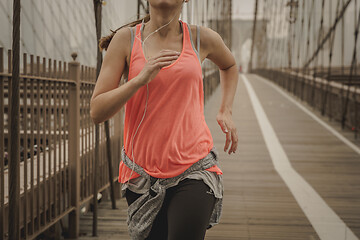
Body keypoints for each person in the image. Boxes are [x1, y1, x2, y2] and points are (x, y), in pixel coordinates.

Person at [90, 0, 238, 239]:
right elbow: (97, 111)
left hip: (195, 167)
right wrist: (138, 80)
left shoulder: (202, 38)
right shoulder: (125, 40)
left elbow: (229, 65)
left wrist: (226, 110)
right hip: (142, 175)